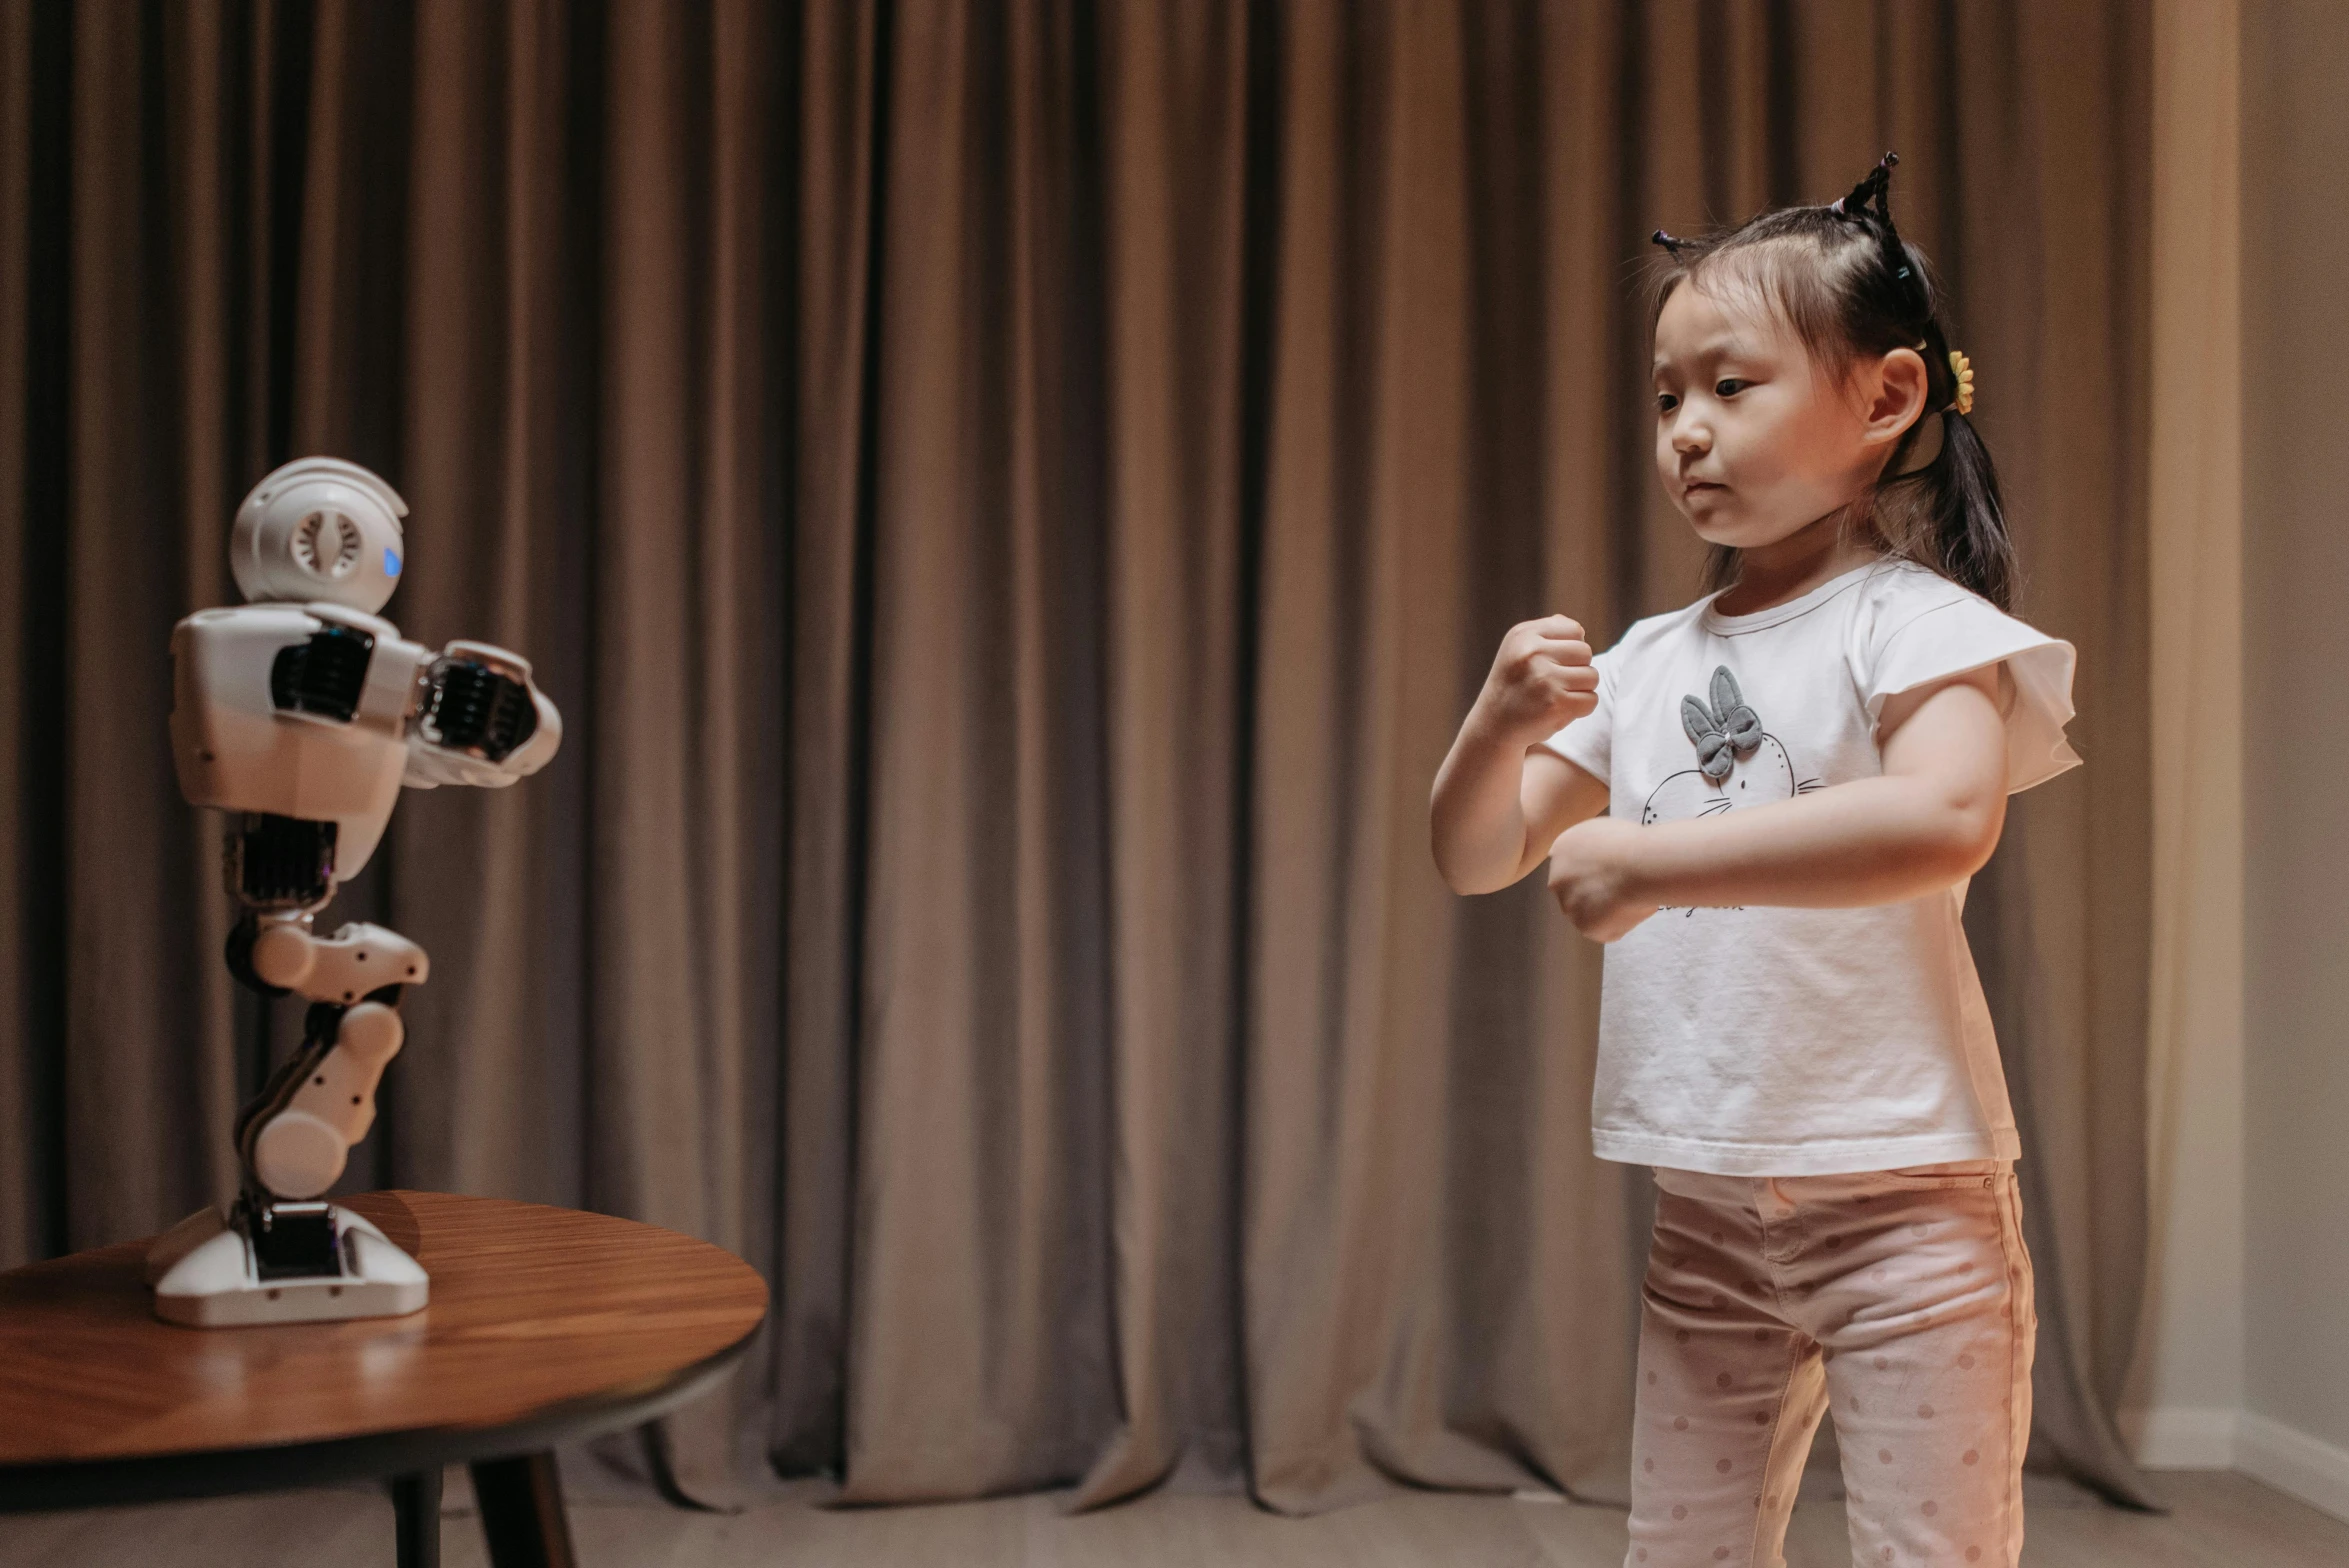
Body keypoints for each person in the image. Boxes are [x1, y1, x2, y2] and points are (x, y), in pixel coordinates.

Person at [1429, 155, 2076, 1568]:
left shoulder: (1916, 626)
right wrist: (1493, 726)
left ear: (1887, 397)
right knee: (1685, 1552)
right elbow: (1478, 855)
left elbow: (1944, 820)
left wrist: (1663, 868)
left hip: (1908, 1203)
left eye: (1732, 387)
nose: (1686, 433)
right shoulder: (1650, 660)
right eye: (1666, 397)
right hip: (1708, 1213)